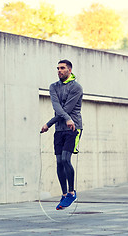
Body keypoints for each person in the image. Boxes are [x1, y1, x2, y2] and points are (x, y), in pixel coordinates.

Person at [40, 59, 83, 210]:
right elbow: (57, 107)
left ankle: (72, 192)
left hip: (73, 128)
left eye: (62, 68)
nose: (59, 70)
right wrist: (53, 124)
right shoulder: (53, 87)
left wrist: (48, 123)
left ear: (69, 70)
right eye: (58, 68)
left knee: (66, 159)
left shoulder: (76, 87)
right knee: (59, 161)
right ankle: (64, 194)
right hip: (59, 129)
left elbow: (68, 108)